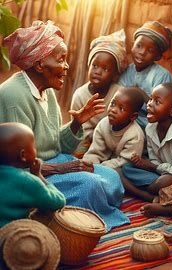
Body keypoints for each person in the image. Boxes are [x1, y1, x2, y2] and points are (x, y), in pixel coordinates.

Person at [0, 20, 129, 231]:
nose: (67, 66)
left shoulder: (47, 91)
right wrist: (64, 168)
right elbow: (19, 166)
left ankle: (89, 208)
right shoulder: (13, 96)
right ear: (40, 65)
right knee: (91, 185)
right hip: (30, 176)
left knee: (112, 177)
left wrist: (76, 123)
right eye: (62, 59)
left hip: (53, 163)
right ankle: (78, 221)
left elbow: (55, 146)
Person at [119, 83, 172, 207]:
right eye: (151, 99)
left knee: (166, 181)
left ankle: (144, 192)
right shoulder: (150, 128)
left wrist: (152, 166)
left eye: (157, 102)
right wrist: (144, 164)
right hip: (160, 174)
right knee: (123, 169)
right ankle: (150, 196)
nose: (149, 104)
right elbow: (154, 160)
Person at [70, 30, 128, 158]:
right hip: (88, 139)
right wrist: (94, 137)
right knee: (77, 155)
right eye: (94, 66)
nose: (98, 71)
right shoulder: (80, 95)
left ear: (115, 75)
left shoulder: (118, 93)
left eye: (105, 69)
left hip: (113, 139)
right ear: (88, 66)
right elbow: (78, 128)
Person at [0, 122, 65, 227]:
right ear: (23, 155)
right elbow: (58, 201)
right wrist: (39, 176)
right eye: (33, 146)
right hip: (12, 234)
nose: (36, 150)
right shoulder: (26, 181)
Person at [119, 21, 172, 129]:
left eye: (150, 50)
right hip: (122, 122)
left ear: (158, 56)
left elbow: (163, 111)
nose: (142, 52)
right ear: (132, 45)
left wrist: (139, 93)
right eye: (139, 46)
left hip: (147, 127)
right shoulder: (126, 70)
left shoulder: (162, 76)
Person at [83, 87, 145, 169]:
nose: (113, 110)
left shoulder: (135, 136)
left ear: (133, 116)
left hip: (123, 167)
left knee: (127, 171)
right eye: (112, 104)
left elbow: (126, 161)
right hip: (107, 161)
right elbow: (95, 151)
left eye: (121, 108)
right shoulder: (103, 124)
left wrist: (99, 168)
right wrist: (88, 164)